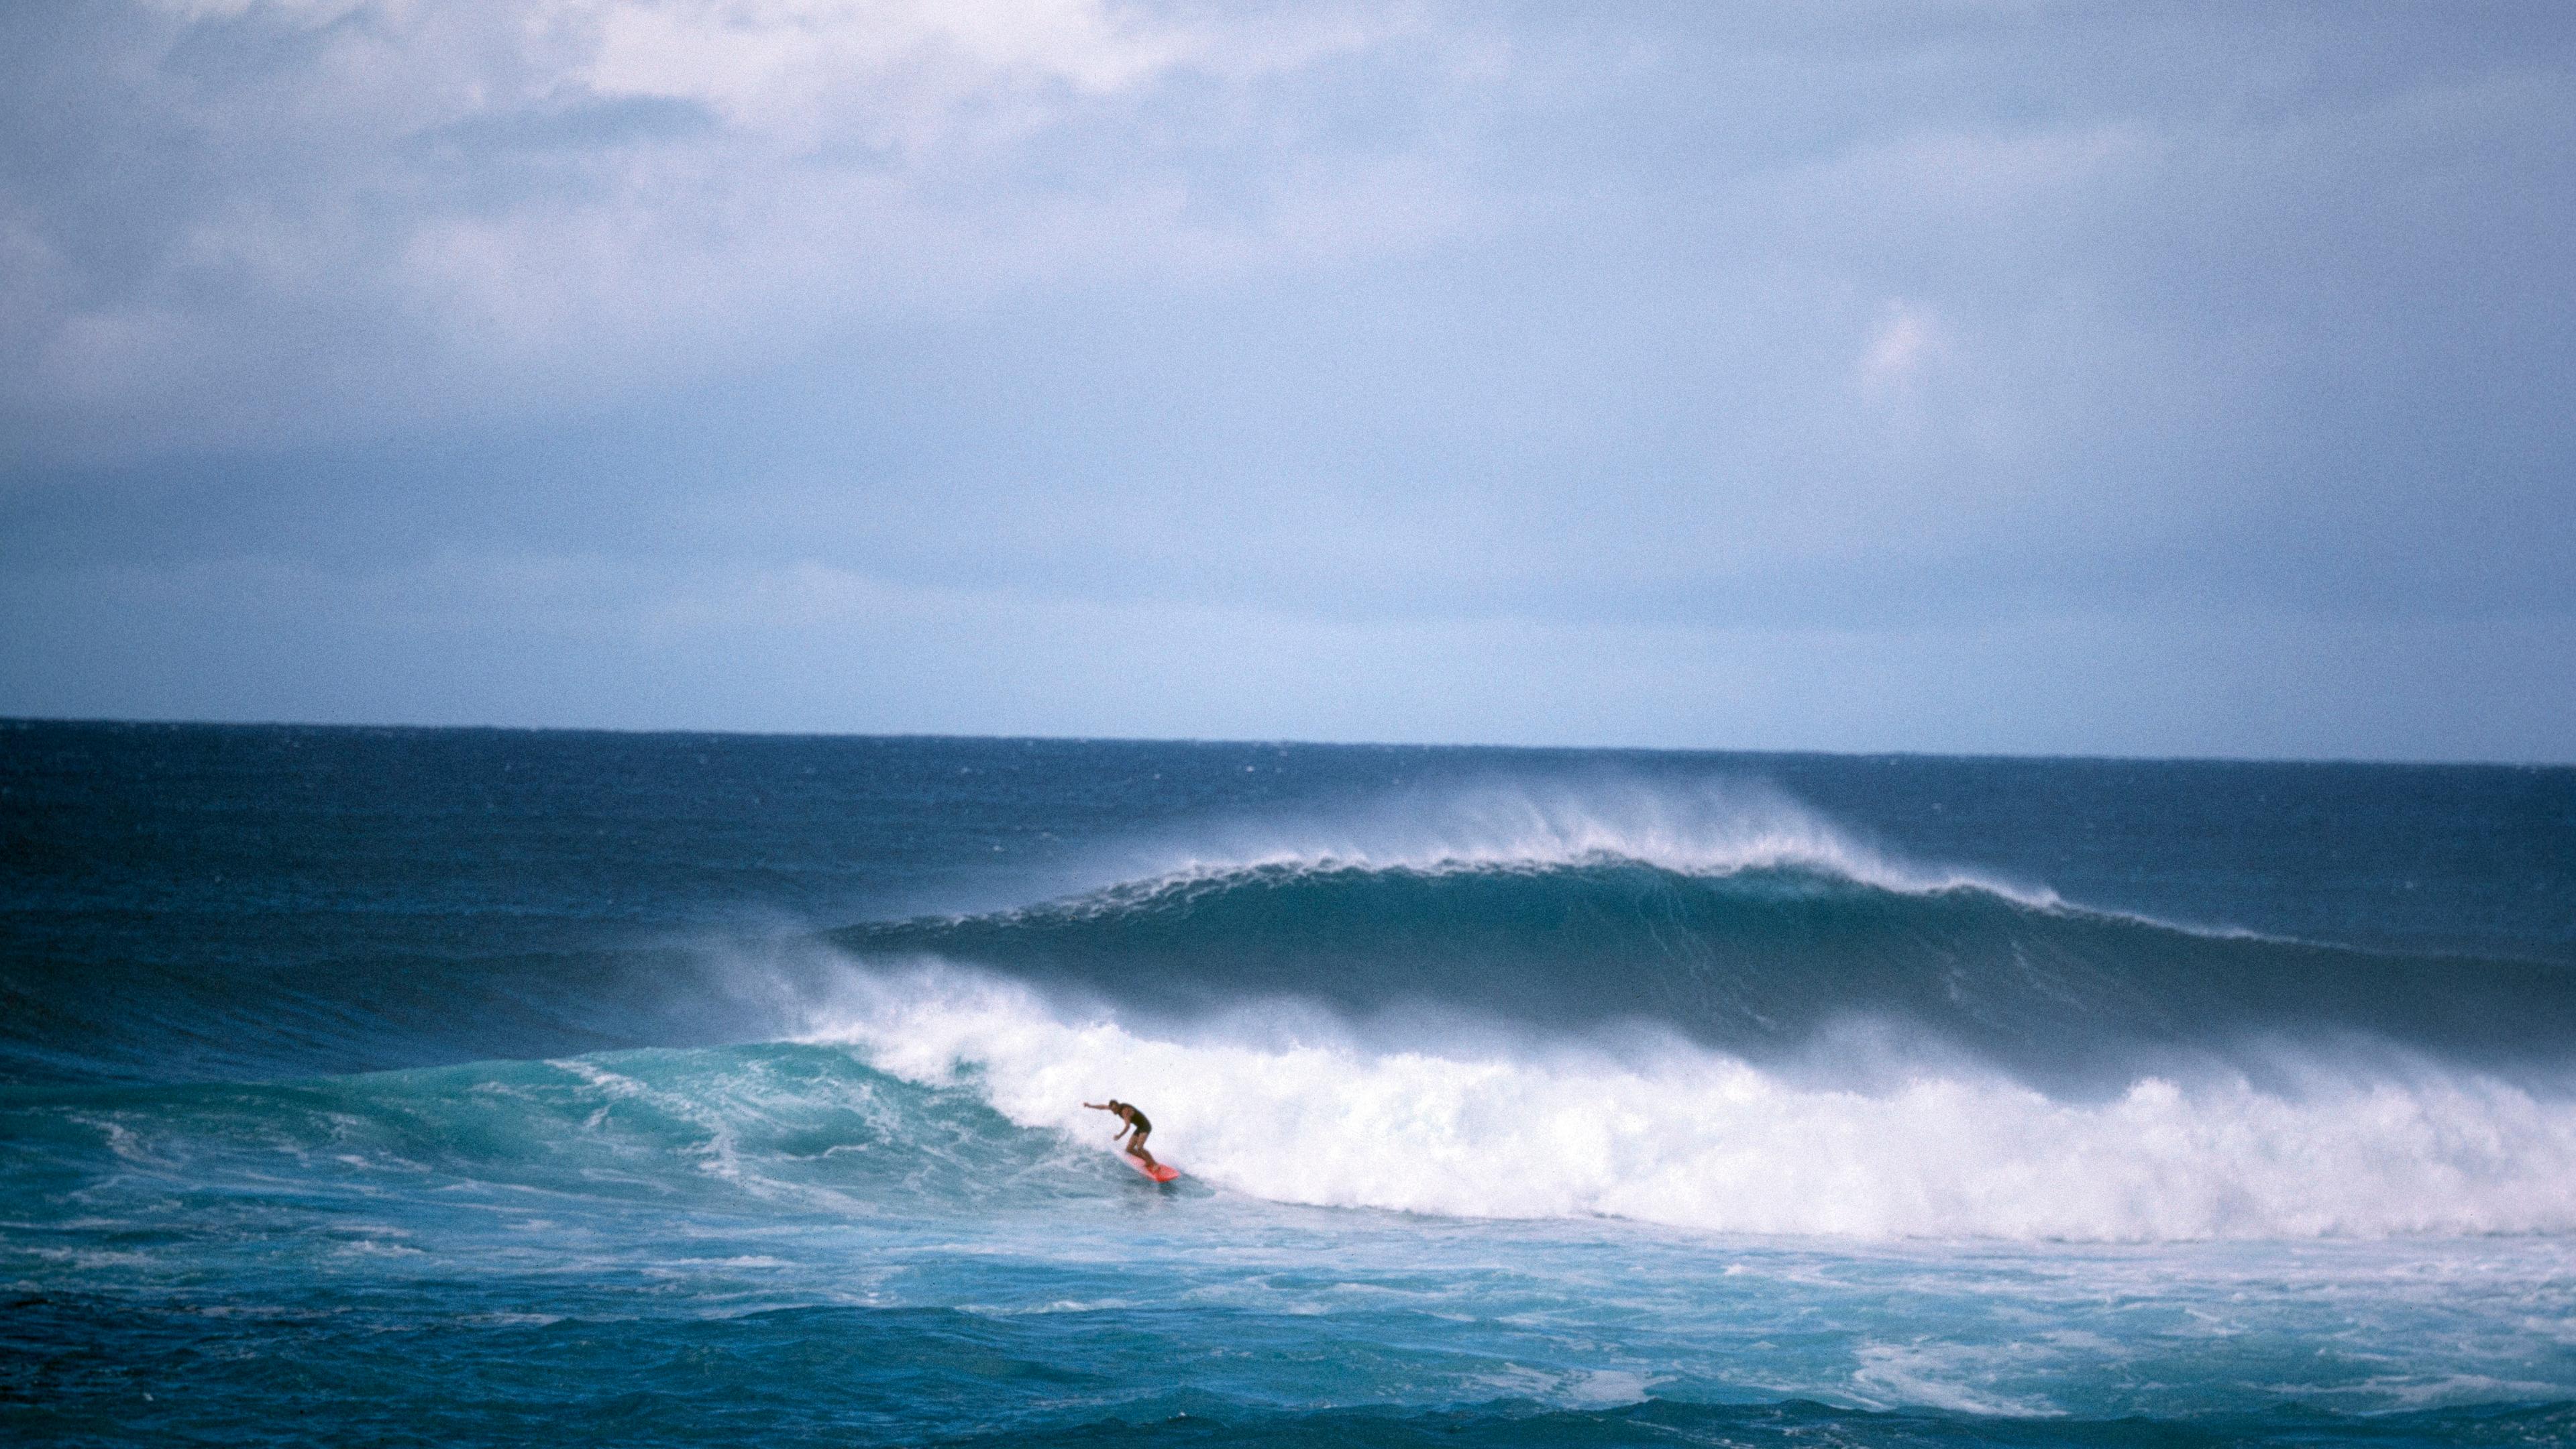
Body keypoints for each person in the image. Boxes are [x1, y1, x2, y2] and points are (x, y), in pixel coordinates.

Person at [1083, 1099, 1158, 1170]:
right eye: (1112, 1110)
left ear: (1118, 1107)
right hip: (1139, 1127)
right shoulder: (1115, 1108)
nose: (1114, 1112)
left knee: (1140, 1147)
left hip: (1145, 1126)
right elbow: (1103, 1107)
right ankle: (1147, 1160)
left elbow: (1128, 1126)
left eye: (1115, 1109)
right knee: (1129, 1149)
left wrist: (1119, 1136)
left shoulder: (1125, 1111)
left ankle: (1155, 1164)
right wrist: (1090, 1106)